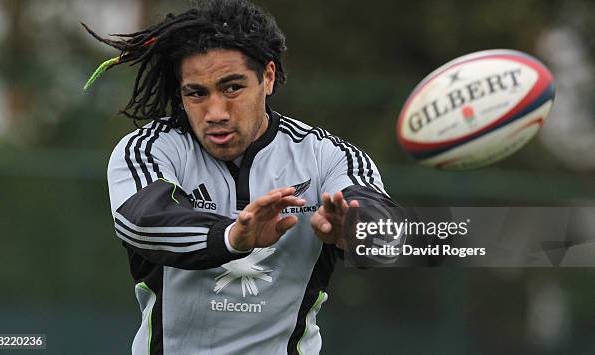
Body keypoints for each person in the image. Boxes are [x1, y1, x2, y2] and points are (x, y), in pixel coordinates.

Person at [84, 0, 397, 354]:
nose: (215, 112)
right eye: (197, 93)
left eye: (232, 87)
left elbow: (389, 233)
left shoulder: (326, 155)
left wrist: (356, 230)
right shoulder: (150, 149)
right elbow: (142, 222)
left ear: (267, 76)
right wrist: (233, 236)